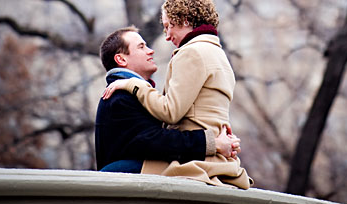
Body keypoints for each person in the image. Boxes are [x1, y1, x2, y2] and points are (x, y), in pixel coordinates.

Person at [103, 0, 252, 189]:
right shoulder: (217, 53)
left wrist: (133, 84)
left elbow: (170, 112)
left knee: (110, 173)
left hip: (195, 162)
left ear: (183, 19)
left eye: (168, 26)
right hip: (215, 157)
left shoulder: (191, 53)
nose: (166, 36)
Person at [95, 26, 239, 173]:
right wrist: (211, 142)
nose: (150, 51)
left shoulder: (132, 93)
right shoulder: (120, 96)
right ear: (121, 59)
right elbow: (154, 142)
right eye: (141, 47)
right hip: (128, 189)